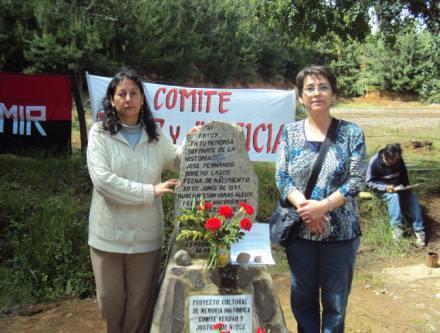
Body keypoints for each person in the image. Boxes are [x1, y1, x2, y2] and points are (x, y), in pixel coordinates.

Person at [86, 68, 198, 333]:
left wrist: (194, 141)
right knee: (110, 301)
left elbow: (177, 161)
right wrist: (150, 192)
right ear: (111, 100)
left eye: (133, 93)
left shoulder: (155, 135)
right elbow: (103, 181)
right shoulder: (101, 134)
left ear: (142, 99)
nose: (128, 98)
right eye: (121, 93)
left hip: (146, 237)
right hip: (108, 237)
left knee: (140, 304)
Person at [276, 65, 367, 332]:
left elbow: (357, 179)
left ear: (333, 94)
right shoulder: (290, 133)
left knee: (335, 303)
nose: (317, 93)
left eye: (323, 87)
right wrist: (308, 211)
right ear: (301, 97)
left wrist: (323, 207)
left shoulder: (351, 133)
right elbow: (282, 179)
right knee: (302, 300)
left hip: (341, 233)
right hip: (301, 234)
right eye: (310, 88)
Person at [366, 143, 426, 247]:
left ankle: (419, 231)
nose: (394, 163)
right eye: (391, 160)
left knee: (413, 197)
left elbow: (404, 176)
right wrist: (384, 188)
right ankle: (397, 230)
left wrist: (407, 187)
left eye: (396, 160)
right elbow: (368, 183)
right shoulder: (374, 161)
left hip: (398, 187)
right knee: (394, 197)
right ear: (385, 156)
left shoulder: (398, 160)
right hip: (382, 190)